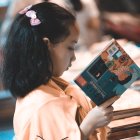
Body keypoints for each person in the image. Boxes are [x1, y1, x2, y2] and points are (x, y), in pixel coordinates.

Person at [2, 2, 115, 140]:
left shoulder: (44, 85)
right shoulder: (45, 104)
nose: (73, 57)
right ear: (47, 45)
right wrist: (89, 125)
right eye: (70, 47)